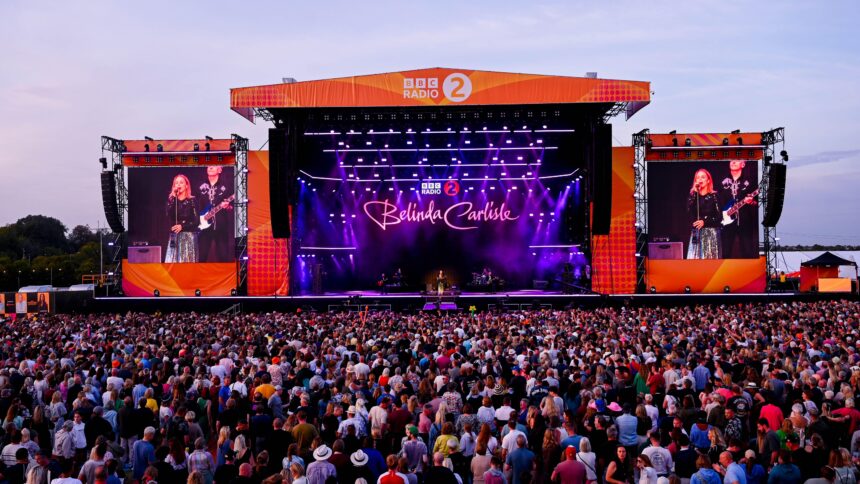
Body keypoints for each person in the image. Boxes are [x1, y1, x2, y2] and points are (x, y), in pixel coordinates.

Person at [718, 160, 758, 259]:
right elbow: (717, 201)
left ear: (743, 164)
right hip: (726, 222)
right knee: (725, 252)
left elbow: (757, 202)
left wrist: (751, 201)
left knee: (747, 251)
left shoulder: (750, 181)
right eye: (732, 160)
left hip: (745, 221)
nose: (733, 162)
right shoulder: (722, 181)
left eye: (737, 160)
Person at [197, 166, 233, 263]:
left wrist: (228, 206)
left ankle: (225, 278)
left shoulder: (226, 186)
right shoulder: (200, 186)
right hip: (203, 227)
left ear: (220, 169)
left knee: (223, 256)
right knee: (201, 257)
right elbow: (195, 205)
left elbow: (232, 207)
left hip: (221, 226)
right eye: (209, 165)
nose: (211, 167)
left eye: (214, 165)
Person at [686, 168, 722, 259]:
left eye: (703, 177)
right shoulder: (693, 196)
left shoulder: (714, 196)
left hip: (710, 233)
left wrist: (705, 222)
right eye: (697, 178)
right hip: (696, 233)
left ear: (708, 180)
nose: (700, 179)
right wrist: (694, 194)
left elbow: (719, 217)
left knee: (708, 260)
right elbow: (689, 213)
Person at [165, 173, 200, 263]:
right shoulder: (171, 200)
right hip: (174, 237)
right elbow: (168, 215)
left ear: (186, 185)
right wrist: (173, 198)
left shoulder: (192, 200)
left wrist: (182, 226)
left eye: (181, 182)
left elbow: (196, 221)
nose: (178, 185)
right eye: (176, 183)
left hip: (188, 237)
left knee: (186, 265)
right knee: (173, 265)